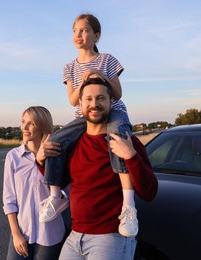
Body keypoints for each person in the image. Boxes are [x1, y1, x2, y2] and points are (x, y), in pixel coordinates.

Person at [39, 13, 139, 238]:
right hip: (83, 115)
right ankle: (56, 196)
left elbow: (118, 93)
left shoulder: (107, 59)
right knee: (55, 141)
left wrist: (101, 75)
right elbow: (73, 100)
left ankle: (128, 205)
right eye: (75, 31)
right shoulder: (69, 67)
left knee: (118, 141)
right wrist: (84, 81)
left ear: (97, 35)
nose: (78, 35)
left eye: (84, 30)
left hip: (112, 111)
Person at [53, 75, 158, 259]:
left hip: (110, 238)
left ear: (111, 101)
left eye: (101, 98)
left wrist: (132, 157)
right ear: (80, 103)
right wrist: (40, 160)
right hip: (74, 236)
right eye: (88, 99)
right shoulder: (75, 142)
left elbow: (149, 192)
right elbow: (63, 182)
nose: (94, 104)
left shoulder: (126, 141)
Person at [2, 106, 66, 260]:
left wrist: (44, 161)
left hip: (49, 234)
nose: (24, 127)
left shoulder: (57, 155)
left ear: (43, 126)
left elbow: (64, 193)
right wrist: (16, 235)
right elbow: (9, 199)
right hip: (22, 231)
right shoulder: (13, 157)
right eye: (23, 122)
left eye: (31, 123)